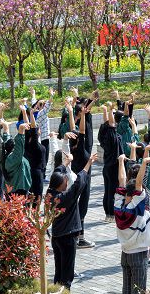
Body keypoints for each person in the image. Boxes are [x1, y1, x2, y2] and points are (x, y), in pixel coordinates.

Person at [47, 151, 98, 290]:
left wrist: (66, 162)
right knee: (67, 274)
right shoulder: (65, 198)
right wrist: (88, 163)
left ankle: (55, 291)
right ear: (60, 184)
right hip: (67, 237)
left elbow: (56, 174)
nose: (67, 181)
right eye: (65, 181)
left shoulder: (50, 193)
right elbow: (79, 182)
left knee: (58, 271)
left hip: (56, 236)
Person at [115, 154, 150, 294]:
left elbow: (122, 180)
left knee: (127, 289)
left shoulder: (119, 205)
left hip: (125, 253)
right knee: (139, 290)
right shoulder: (137, 208)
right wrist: (144, 163)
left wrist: (121, 161)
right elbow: (139, 184)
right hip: (138, 254)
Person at [68, 102, 96, 248]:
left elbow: (75, 128)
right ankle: (80, 238)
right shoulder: (83, 150)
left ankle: (76, 235)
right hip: (84, 181)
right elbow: (82, 130)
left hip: (75, 180)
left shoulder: (72, 149)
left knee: (74, 206)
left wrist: (71, 112)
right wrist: (83, 115)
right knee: (82, 209)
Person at [99, 102, 124, 223]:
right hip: (114, 167)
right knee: (112, 192)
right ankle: (111, 214)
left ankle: (107, 214)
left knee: (107, 191)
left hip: (106, 167)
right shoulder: (113, 137)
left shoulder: (103, 137)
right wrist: (110, 109)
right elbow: (111, 124)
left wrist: (106, 111)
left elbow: (107, 124)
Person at [0, 120, 32, 196]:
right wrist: (21, 129)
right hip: (18, 192)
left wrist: (6, 127)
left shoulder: (6, 155)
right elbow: (19, 144)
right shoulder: (14, 158)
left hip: (12, 189)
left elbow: (6, 140)